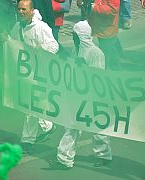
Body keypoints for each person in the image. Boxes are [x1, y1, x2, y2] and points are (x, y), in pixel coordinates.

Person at [48, 19, 112, 170]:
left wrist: (85, 69)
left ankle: (103, 154)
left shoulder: (96, 53)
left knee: (97, 127)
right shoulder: (76, 50)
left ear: (82, 35)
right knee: (71, 126)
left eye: (75, 35)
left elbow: (99, 78)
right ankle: (64, 159)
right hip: (78, 97)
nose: (73, 38)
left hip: (93, 98)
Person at [10, 0, 59, 153]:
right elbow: (14, 44)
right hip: (26, 73)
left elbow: (54, 46)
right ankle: (47, 126)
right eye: (19, 9)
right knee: (35, 104)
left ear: (32, 10)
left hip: (40, 73)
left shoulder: (41, 27)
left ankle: (27, 140)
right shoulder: (17, 27)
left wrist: (41, 49)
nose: (21, 12)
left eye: (24, 9)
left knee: (30, 107)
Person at [88, 0, 123, 70]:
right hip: (101, 25)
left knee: (105, 53)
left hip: (107, 28)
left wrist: (95, 8)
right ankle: (116, 69)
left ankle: (106, 72)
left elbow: (113, 9)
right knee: (111, 50)